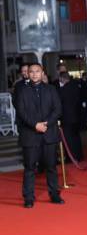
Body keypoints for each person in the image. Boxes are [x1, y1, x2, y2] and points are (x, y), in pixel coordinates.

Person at [15, 63, 64, 208]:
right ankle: (28, 198)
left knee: (51, 166)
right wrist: (35, 125)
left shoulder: (51, 89)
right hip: (30, 134)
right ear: (28, 74)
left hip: (49, 133)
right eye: (32, 72)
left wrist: (46, 123)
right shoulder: (21, 91)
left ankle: (54, 194)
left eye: (37, 71)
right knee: (29, 167)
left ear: (43, 72)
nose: (35, 74)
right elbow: (21, 112)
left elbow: (58, 109)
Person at [57, 71, 85, 161]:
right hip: (77, 116)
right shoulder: (76, 87)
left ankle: (71, 157)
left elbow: (59, 104)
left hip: (66, 118)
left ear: (62, 78)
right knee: (76, 137)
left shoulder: (63, 90)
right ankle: (79, 156)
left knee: (69, 139)